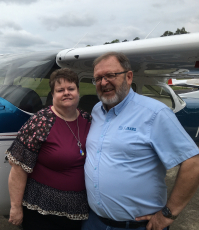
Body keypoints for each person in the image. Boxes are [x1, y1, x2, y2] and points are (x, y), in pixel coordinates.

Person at [82, 52, 199, 230]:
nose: (103, 83)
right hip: (94, 222)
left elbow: (192, 163)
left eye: (110, 75)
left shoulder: (155, 113)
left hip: (136, 226)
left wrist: (168, 214)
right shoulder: (97, 110)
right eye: (98, 78)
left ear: (129, 77)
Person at [6, 68, 91, 230]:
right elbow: (18, 168)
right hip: (41, 211)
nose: (66, 93)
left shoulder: (88, 120)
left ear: (78, 91)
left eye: (71, 89)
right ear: (52, 95)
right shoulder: (41, 122)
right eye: (60, 90)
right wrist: (15, 207)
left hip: (77, 211)